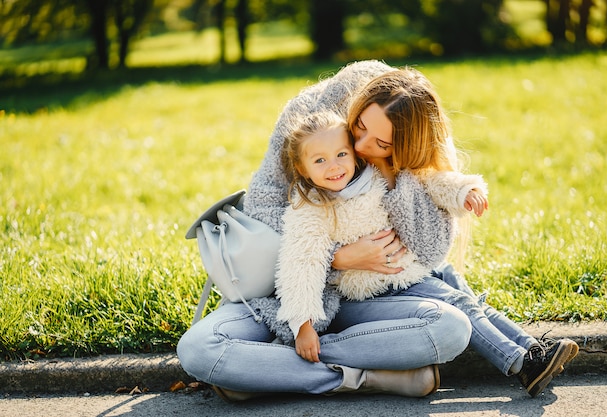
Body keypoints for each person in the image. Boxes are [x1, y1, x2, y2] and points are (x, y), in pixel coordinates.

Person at [176, 60, 576, 401]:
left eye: (380, 143)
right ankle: (368, 376)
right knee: (199, 349)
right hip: (285, 291)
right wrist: (336, 257)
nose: (362, 147)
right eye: (359, 129)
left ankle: (266, 373)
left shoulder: (400, 163)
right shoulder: (309, 135)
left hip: (374, 294)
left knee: (451, 324)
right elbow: (266, 209)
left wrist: (462, 190)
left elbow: (432, 214)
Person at [274, 110, 488, 360]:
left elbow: (427, 180)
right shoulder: (310, 209)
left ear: (353, 154)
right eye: (320, 161)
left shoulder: (372, 177)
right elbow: (301, 263)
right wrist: (303, 326)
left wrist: (463, 190)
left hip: (409, 274)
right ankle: (518, 360)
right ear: (302, 168)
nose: (334, 166)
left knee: (466, 298)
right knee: (459, 303)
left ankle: (527, 349)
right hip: (375, 291)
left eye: (341, 154)